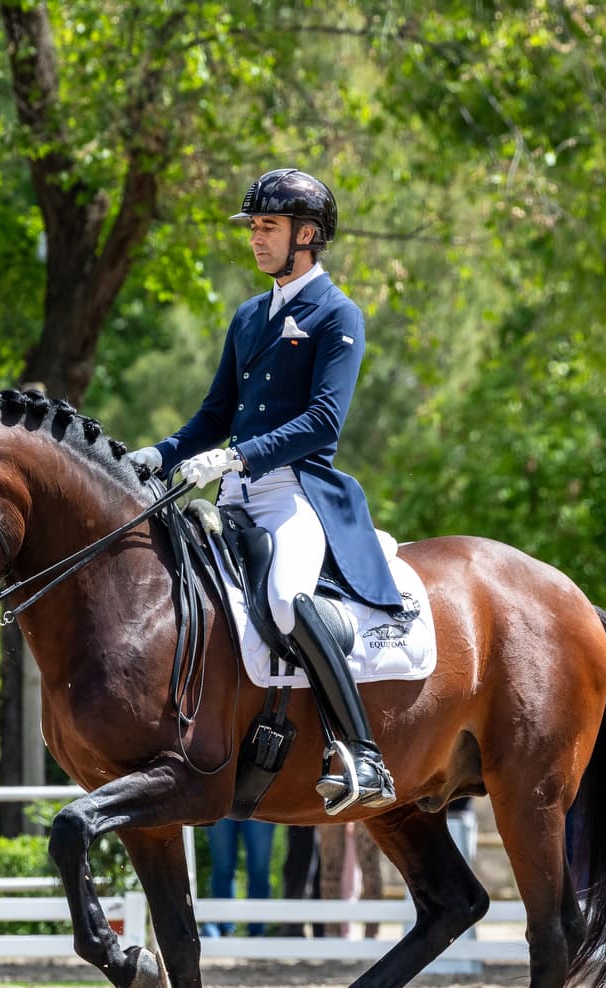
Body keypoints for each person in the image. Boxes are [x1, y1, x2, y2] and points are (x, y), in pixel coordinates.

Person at [124, 169, 405, 815]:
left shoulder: (338, 314)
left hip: (293, 492)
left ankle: (361, 754)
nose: (256, 238)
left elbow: (323, 421)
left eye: (268, 227)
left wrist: (240, 454)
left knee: (284, 600)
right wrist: (159, 454)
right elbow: (214, 412)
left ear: (307, 236)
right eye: (253, 227)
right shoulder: (250, 315)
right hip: (231, 493)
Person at [205, 818, 275, 939]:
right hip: (222, 804)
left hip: (260, 801)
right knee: (222, 867)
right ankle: (225, 931)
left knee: (259, 869)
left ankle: (257, 933)